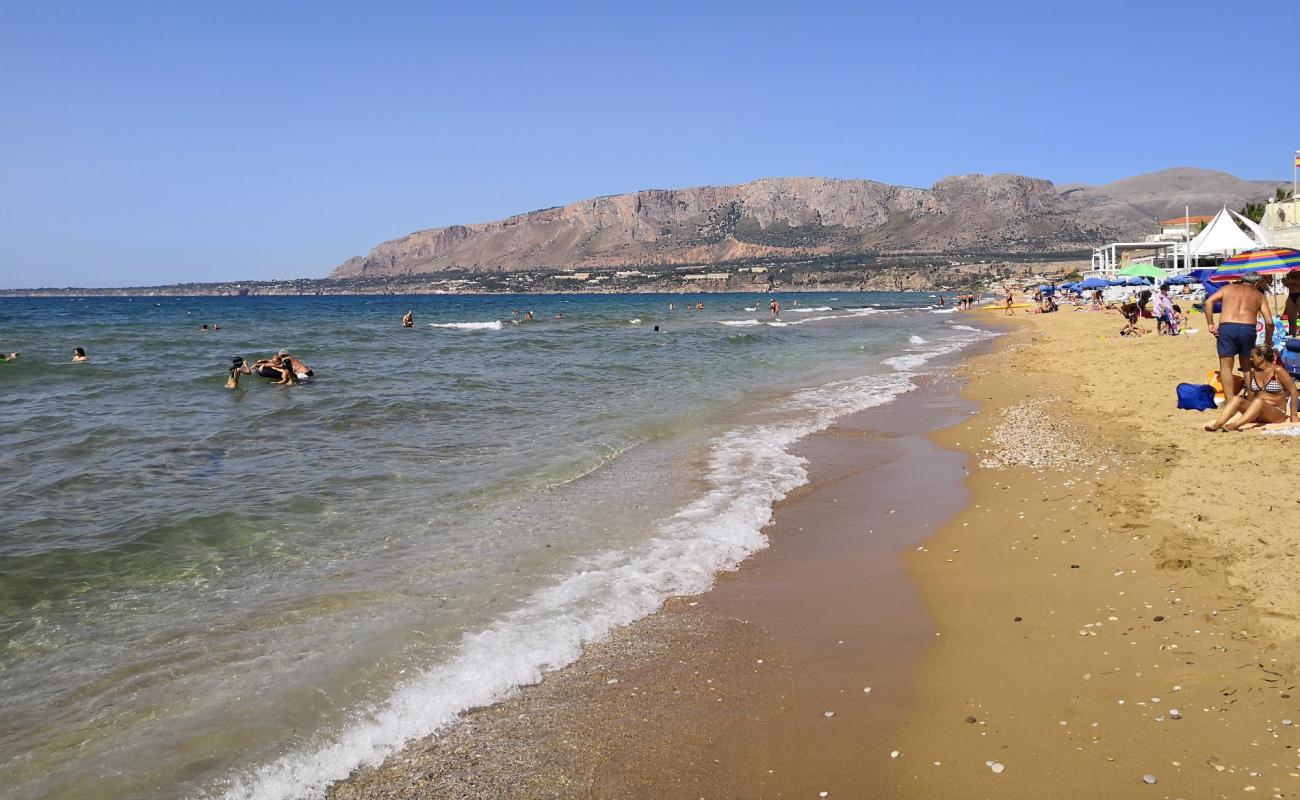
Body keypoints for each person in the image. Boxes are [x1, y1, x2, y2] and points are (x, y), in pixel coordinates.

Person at [1204, 274, 1273, 400]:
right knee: (1247, 367)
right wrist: (1268, 341)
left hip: (1227, 327)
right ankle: (1251, 400)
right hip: (1248, 329)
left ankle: (1230, 401)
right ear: (1257, 284)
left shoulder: (1227, 288)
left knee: (1226, 367)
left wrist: (1210, 323)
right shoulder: (1259, 295)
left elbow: (1208, 302)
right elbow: (1269, 322)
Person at [1204, 345, 1297, 431]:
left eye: (1253, 356)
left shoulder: (1278, 371)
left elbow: (1294, 391)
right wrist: (1248, 411)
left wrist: (1293, 415)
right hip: (1257, 412)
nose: (1251, 359)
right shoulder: (1253, 371)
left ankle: (1235, 425)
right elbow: (1251, 395)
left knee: (1259, 401)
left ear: (1261, 357)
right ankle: (1217, 424)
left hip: (1276, 412)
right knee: (1236, 399)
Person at [1284, 269, 1300, 338]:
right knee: (1291, 319)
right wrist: (1286, 282)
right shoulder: (1288, 271)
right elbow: (1287, 284)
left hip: (1299, 294)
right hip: (1291, 294)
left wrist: (1293, 281)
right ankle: (1292, 337)